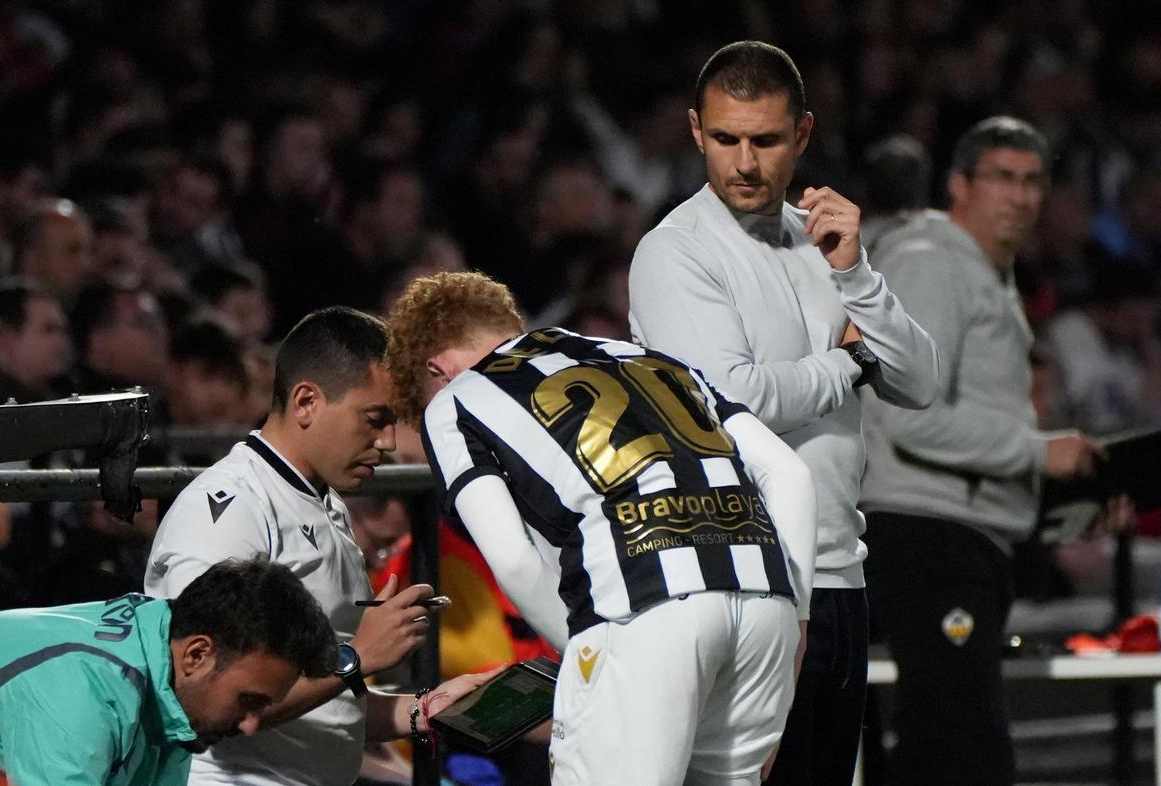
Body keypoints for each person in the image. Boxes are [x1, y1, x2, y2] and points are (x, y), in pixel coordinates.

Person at [627, 41, 939, 786]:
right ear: (696, 131)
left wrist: (857, 272)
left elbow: (920, 380)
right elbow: (730, 400)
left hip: (841, 574)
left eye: (764, 141)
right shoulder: (674, 253)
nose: (743, 161)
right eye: (726, 139)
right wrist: (849, 361)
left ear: (800, 135)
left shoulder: (822, 241)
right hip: (745, 585)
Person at [385, 271, 819, 786]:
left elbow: (515, 560)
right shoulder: (659, 361)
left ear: (437, 368)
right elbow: (792, 475)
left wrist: (583, 657)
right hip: (765, 604)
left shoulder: (455, 398)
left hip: (639, 610)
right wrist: (796, 623)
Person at [145, 306, 498, 786]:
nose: (388, 440)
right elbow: (198, 699)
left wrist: (421, 709)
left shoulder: (323, 504)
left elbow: (324, 705)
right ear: (306, 401)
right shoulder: (228, 508)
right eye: (374, 419)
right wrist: (359, 657)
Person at [859, 116, 1103, 786]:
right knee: (960, 751)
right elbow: (909, 416)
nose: (1020, 196)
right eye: (1002, 177)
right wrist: (1035, 452)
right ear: (958, 184)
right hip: (929, 535)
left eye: (1032, 181)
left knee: (948, 746)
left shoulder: (986, 275)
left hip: (967, 536)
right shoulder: (932, 261)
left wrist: (1070, 499)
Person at [0, 557, 338, 786]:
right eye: (248, 701)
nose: (251, 725)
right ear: (198, 655)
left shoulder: (170, 683)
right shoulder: (85, 689)